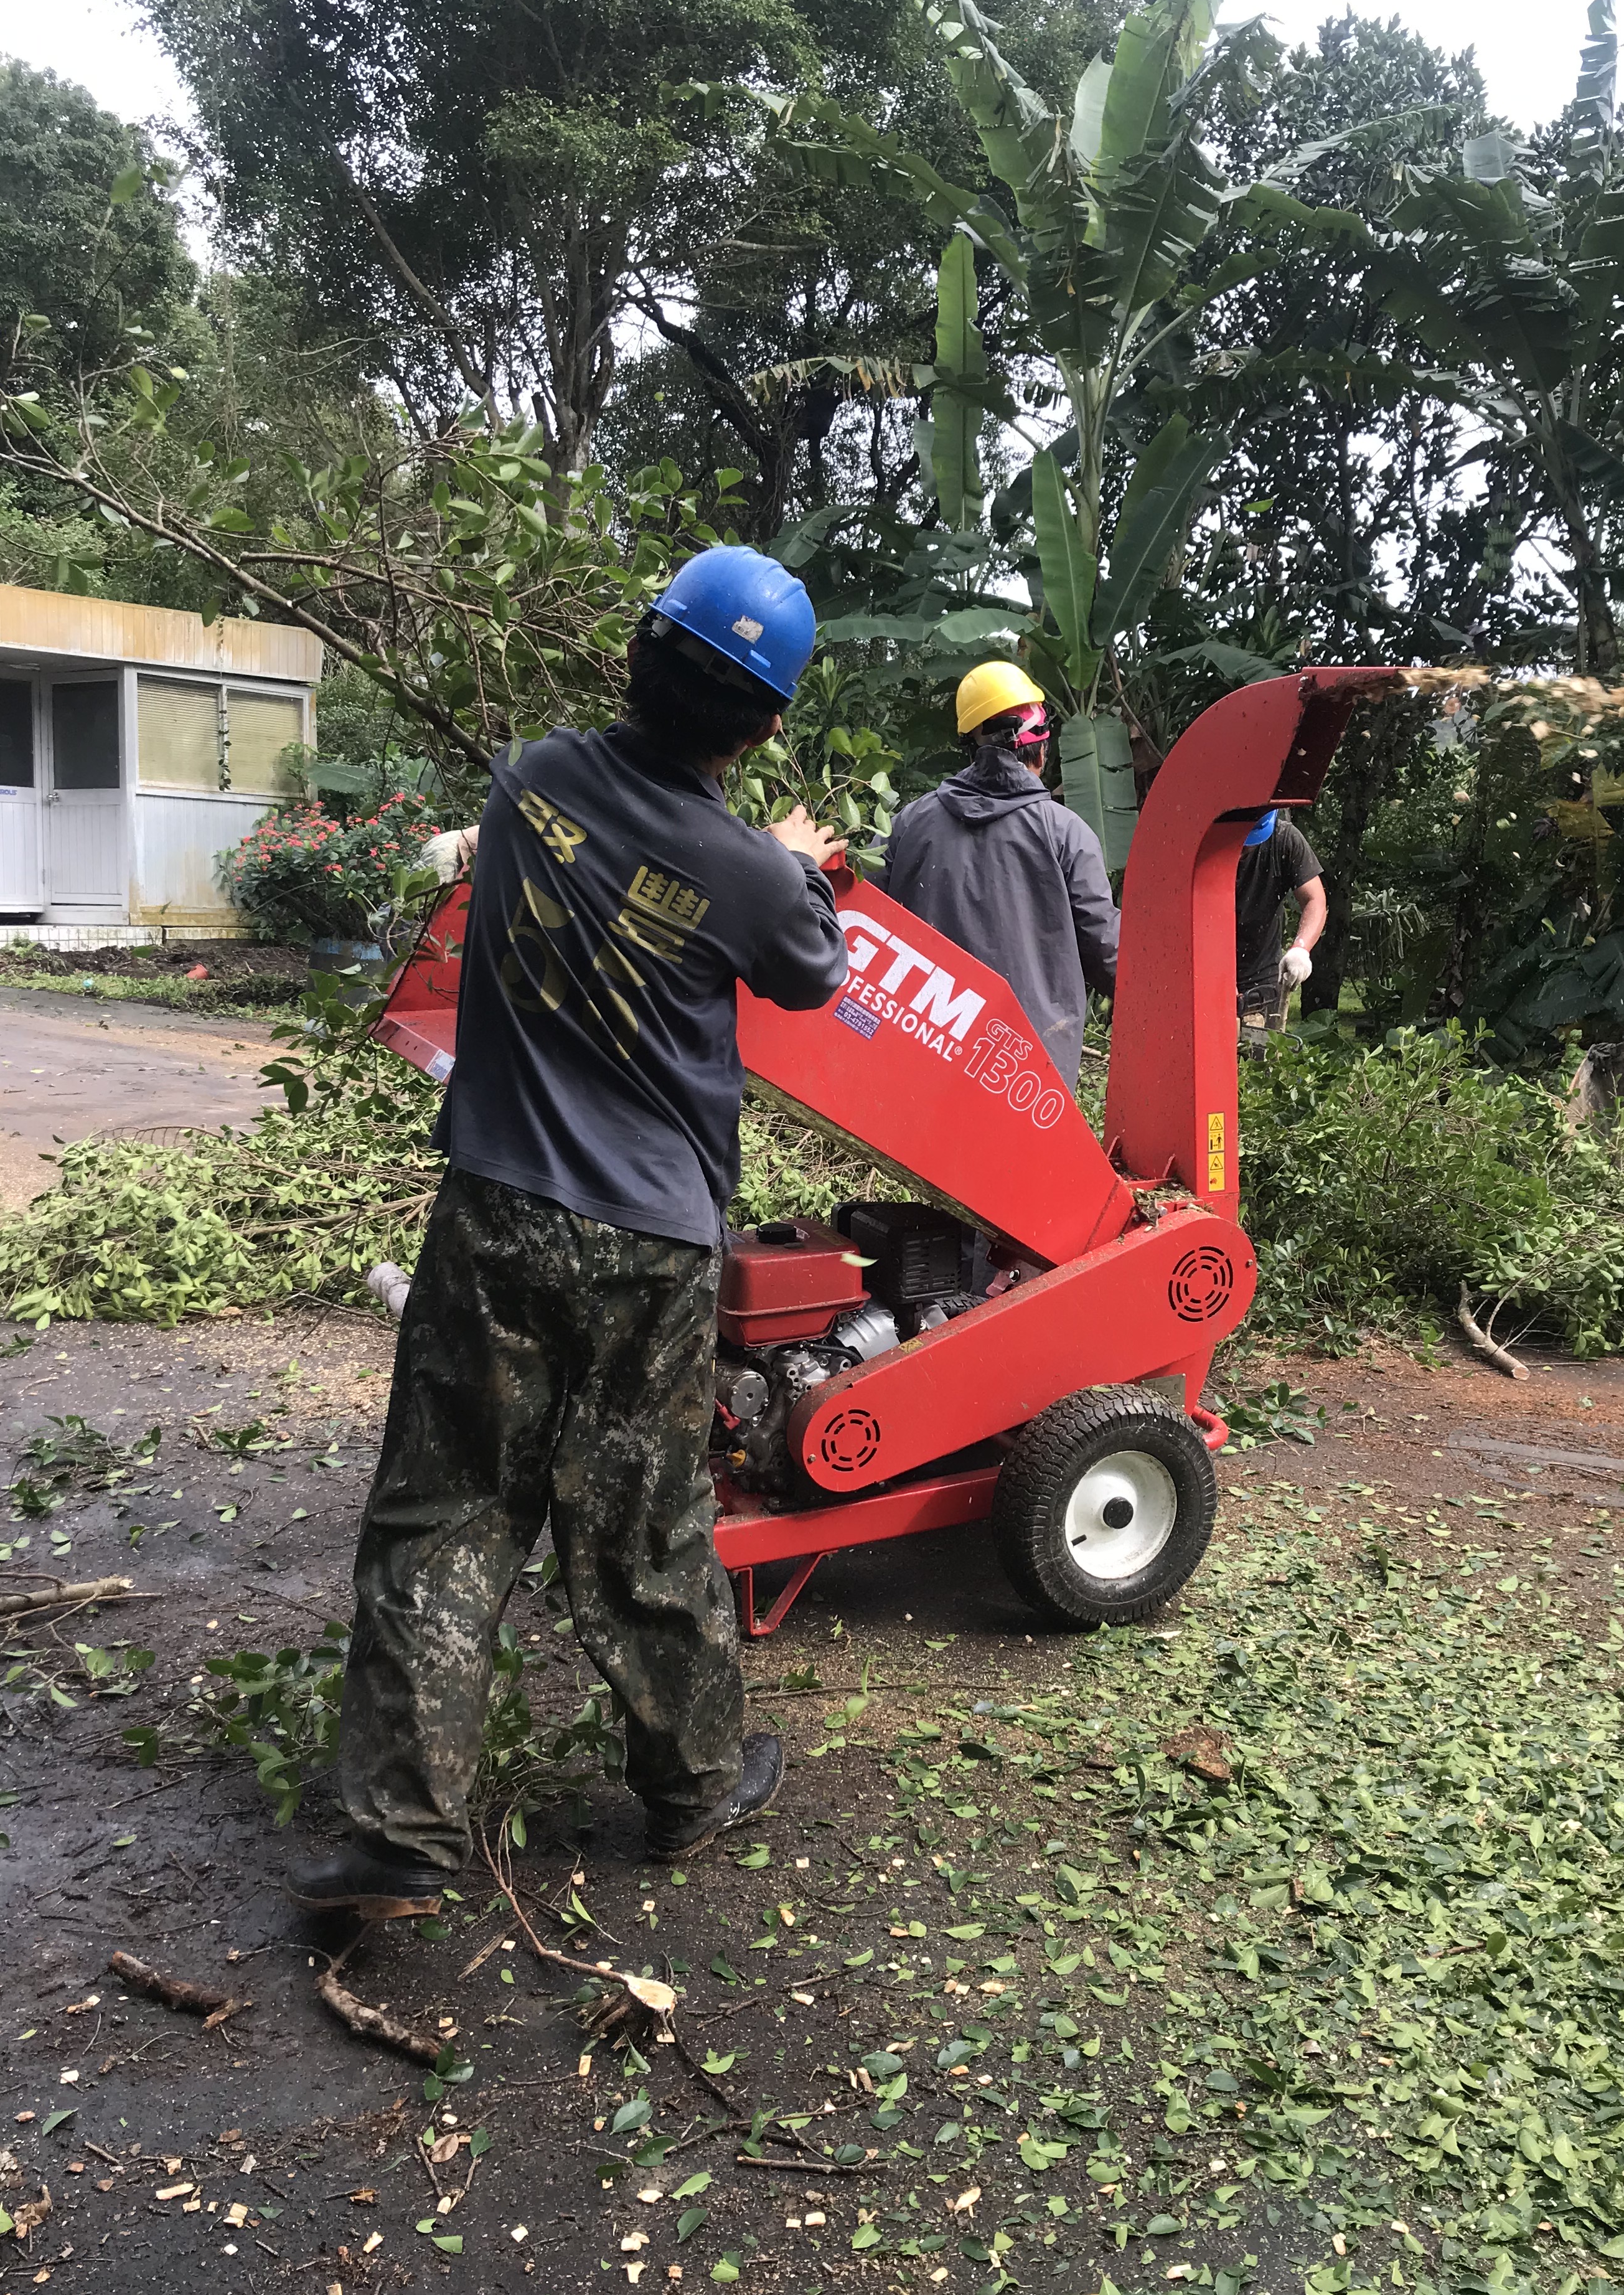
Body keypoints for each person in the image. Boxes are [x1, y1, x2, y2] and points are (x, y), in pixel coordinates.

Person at [289, 545, 849, 1920]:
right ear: (767, 723)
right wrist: (785, 859)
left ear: (638, 658)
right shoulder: (753, 873)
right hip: (649, 1243)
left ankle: (403, 1840)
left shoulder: (532, 779)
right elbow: (815, 969)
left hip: (493, 1208)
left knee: (444, 1510)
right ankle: (691, 1788)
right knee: (643, 1523)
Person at [869, 661, 1118, 1090]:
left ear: (970, 744)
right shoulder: (1066, 834)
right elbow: (1107, 953)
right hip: (1025, 1076)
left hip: (921, 1055)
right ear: (1040, 747)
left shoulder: (906, 823)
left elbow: (863, 924)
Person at [1234, 806, 1326, 1024]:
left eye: (1249, 844)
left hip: (1262, 979)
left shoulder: (1284, 839)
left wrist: (1301, 949)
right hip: (1203, 972)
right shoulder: (1200, 841)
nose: (1242, 849)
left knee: (1263, 1055)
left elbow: (1315, 899)